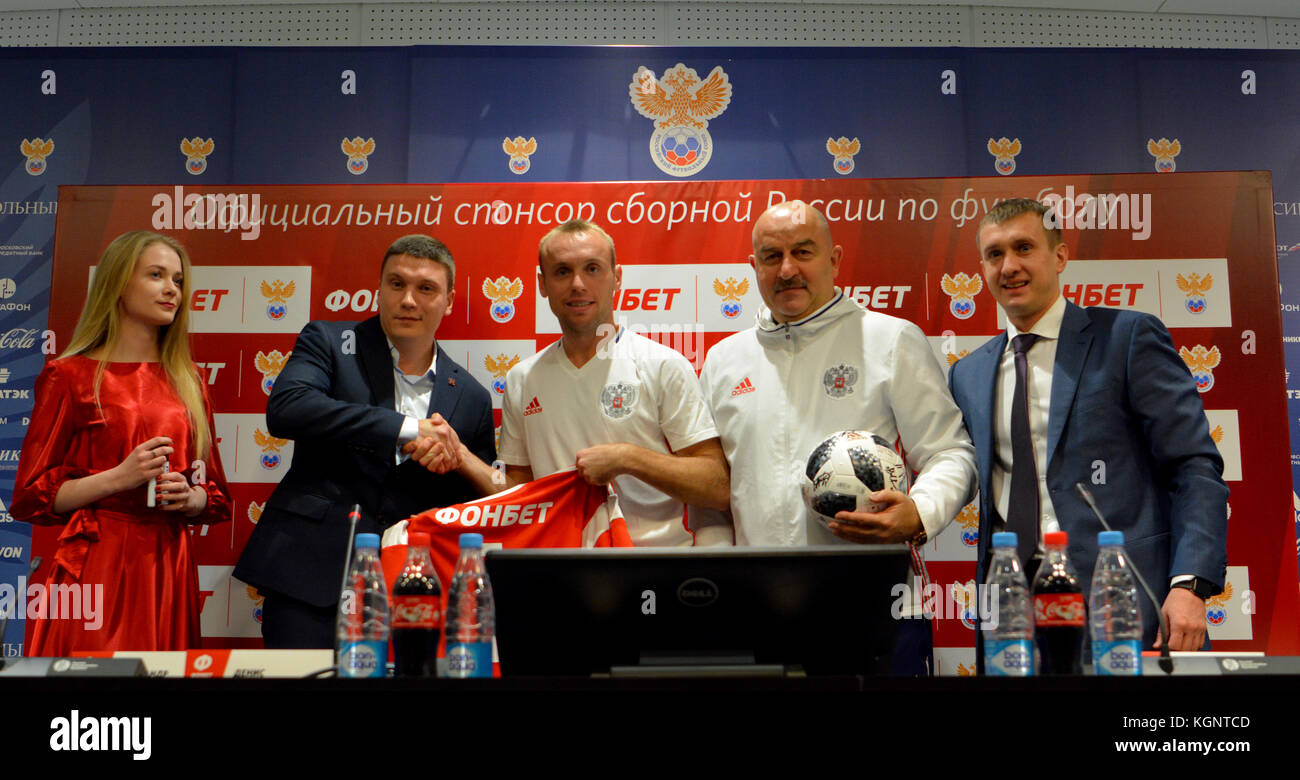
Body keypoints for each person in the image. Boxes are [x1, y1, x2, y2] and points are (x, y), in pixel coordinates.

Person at [699, 200, 976, 673]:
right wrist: (720, 584)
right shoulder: (724, 361)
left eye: (803, 252)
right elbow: (713, 491)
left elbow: (951, 452)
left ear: (835, 259)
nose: (787, 270)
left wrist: (919, 512)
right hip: (758, 612)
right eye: (771, 257)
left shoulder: (891, 339)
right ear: (753, 267)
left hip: (874, 605)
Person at [947, 198, 1228, 653]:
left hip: (1128, 603)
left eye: (1024, 247)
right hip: (1014, 614)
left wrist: (1189, 585)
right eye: (995, 254)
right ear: (982, 267)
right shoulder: (968, 373)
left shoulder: (1128, 337)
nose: (1009, 266)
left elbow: (1193, 467)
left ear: (1059, 256)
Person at [234, 234, 495, 648]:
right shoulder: (329, 342)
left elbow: (476, 507)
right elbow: (287, 408)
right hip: (309, 577)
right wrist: (407, 429)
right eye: (396, 284)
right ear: (379, 289)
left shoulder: (473, 396)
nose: (408, 299)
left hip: (414, 592)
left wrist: (452, 457)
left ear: (449, 301)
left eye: (426, 288)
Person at [436, 219, 729, 547]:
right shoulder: (523, 378)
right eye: (562, 271)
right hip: (562, 569)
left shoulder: (662, 365)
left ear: (617, 278)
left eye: (593, 269)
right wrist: (461, 456)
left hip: (653, 567)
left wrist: (628, 458)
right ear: (542, 284)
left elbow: (717, 486)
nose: (578, 284)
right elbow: (517, 492)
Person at [12, 230, 232, 654]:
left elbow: (218, 497)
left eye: (178, 280)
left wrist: (191, 498)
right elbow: (29, 497)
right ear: (117, 283)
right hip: (98, 561)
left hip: (169, 563)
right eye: (156, 275)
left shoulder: (191, 380)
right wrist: (118, 478)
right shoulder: (69, 375)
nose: (172, 289)